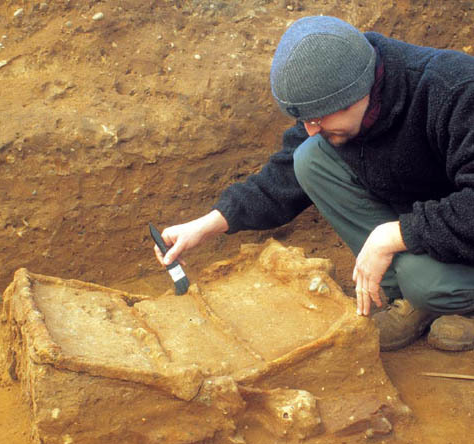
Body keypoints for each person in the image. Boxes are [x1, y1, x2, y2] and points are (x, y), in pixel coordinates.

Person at [154, 15, 474, 352]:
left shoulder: (454, 90)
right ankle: (410, 297)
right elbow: (282, 177)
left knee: (423, 282)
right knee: (309, 157)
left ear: (358, 93)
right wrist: (209, 224)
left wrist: (392, 235)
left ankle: (444, 297)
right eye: (305, 119)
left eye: (319, 118)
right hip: (434, 223)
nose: (311, 128)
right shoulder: (340, 94)